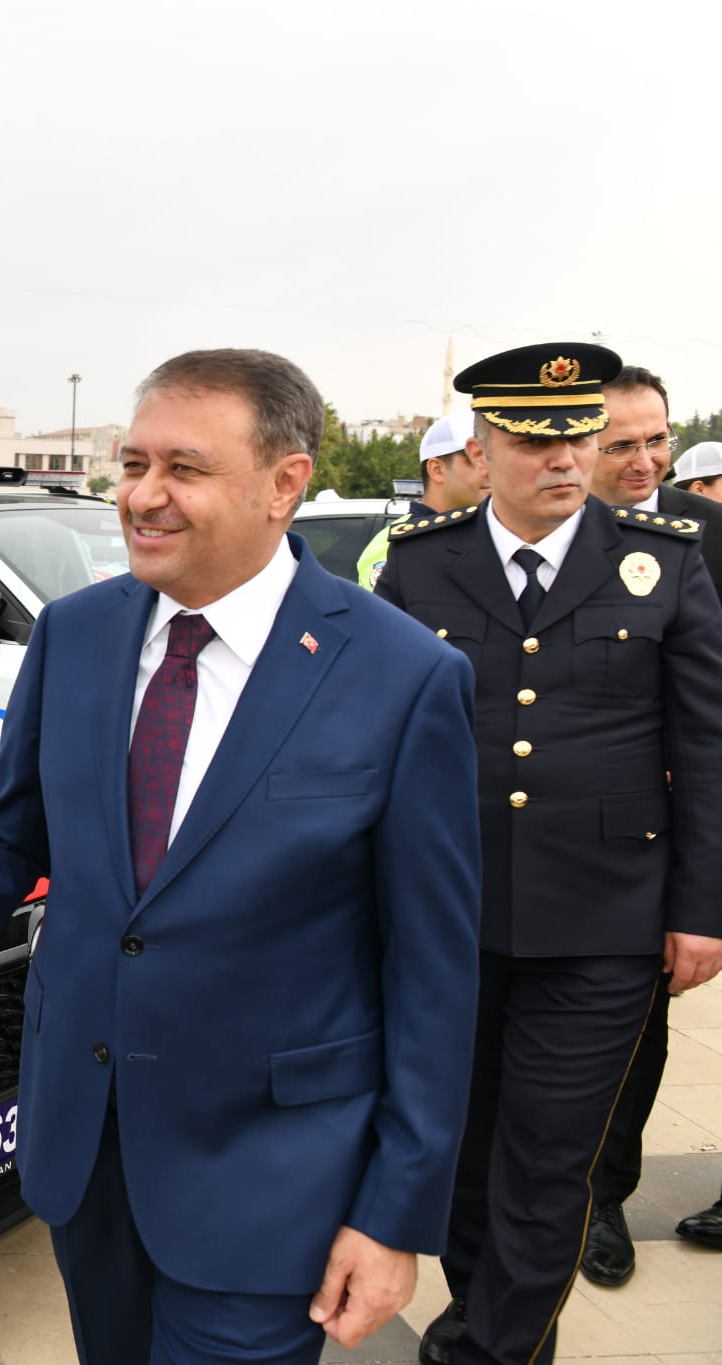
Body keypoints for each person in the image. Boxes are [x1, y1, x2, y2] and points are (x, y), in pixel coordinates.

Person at [0, 349, 483, 1363]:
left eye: (182, 469)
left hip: (272, 1178)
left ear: (281, 484)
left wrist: (393, 1216)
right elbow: (2, 842)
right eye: (131, 464)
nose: (141, 497)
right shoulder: (74, 636)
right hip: (87, 1150)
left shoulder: (401, 676)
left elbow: (432, 975)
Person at [375, 343, 722, 1364]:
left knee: (547, 1161)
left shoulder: (661, 559)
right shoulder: (418, 562)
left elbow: (701, 745)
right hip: (449, 919)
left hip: (604, 920)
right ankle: (493, 1321)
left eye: (574, 436)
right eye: (533, 439)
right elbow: (375, 749)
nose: (563, 459)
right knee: (464, 1160)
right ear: (480, 448)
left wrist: (700, 905)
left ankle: (481, 1350)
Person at [578, 368, 722, 1288]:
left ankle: (604, 1195)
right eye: (620, 442)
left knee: (639, 1027)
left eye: (657, 439)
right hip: (550, 835)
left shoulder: (702, 537)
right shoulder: (507, 539)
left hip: (665, 832)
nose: (644, 462)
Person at [586, 365, 722, 586]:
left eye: (657, 441)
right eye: (623, 446)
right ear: (582, 444)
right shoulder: (546, 527)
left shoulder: (716, 527)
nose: (645, 464)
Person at [355, 411, 488, 589]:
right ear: (437, 469)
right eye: (477, 458)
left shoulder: (489, 535)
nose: (490, 471)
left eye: (494, 459)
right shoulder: (392, 546)